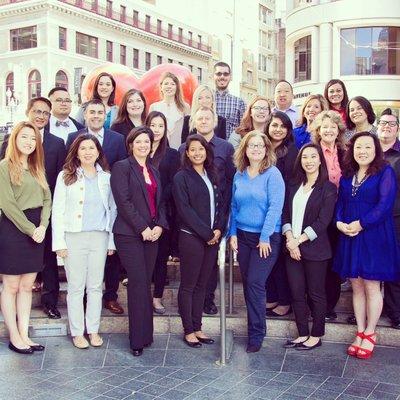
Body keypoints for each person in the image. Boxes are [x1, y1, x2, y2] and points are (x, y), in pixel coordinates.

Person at [334, 132, 400, 359]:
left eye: (367, 147)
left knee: (372, 285)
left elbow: (385, 205)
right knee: (357, 285)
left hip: (373, 234)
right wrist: (340, 222)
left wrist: (361, 224)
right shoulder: (347, 175)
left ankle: (371, 333)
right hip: (350, 234)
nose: (362, 151)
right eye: (358, 147)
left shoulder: (384, 172)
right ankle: (360, 331)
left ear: (376, 150)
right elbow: (341, 202)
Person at [0, 97, 67, 318]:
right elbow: (6, 190)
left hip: (43, 215)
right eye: (37, 111)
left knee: (44, 261)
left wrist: (47, 219)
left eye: (46, 113)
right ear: (28, 111)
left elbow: (56, 182)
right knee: (13, 282)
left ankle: (49, 301)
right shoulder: (10, 144)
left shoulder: (55, 145)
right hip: (15, 220)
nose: (41, 115)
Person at [52, 134, 116, 349]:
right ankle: (78, 332)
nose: (88, 152)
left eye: (91, 148)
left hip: (99, 237)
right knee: (76, 287)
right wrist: (59, 242)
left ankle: (93, 330)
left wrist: (111, 242)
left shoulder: (106, 178)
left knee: (96, 287)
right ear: (76, 152)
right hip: (74, 237)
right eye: (83, 148)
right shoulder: (66, 176)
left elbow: (113, 211)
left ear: (98, 151)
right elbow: (58, 210)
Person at [110, 127, 168, 356]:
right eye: (139, 141)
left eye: (147, 141)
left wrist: (159, 226)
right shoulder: (122, 167)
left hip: (152, 234)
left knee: (146, 282)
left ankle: (146, 334)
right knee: (137, 282)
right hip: (129, 234)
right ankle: (136, 339)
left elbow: (161, 203)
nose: (143, 145)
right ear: (131, 144)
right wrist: (142, 228)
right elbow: (123, 202)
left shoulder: (153, 170)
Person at [67, 98, 127, 315]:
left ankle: (110, 296)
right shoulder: (74, 137)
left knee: (111, 257)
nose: (95, 116)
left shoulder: (117, 139)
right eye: (91, 112)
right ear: (85, 114)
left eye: (99, 113)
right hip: (81, 211)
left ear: (105, 115)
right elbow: (69, 169)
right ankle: (83, 299)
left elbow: (121, 169)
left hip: (108, 204)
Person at [229, 131, 285, 352]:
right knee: (249, 283)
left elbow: (275, 207)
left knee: (255, 282)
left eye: (260, 146)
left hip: (266, 238)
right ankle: (255, 328)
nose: (256, 149)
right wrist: (232, 232)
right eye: (251, 145)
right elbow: (234, 207)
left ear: (266, 149)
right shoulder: (239, 174)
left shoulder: (273, 174)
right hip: (242, 236)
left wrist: (264, 237)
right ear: (245, 148)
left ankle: (257, 333)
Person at [0, 121, 51, 354]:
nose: (29, 142)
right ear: (15, 140)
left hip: (36, 230)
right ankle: (14, 336)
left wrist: (42, 225)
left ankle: (25, 334)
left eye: (33, 138)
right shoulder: (3, 167)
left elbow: (47, 200)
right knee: (11, 286)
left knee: (27, 286)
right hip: (13, 229)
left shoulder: (37, 168)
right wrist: (31, 229)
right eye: (24, 137)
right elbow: (8, 204)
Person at [178, 107, 235, 315]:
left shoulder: (226, 148)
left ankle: (204, 308)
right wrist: (205, 231)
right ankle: (190, 324)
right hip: (193, 229)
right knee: (191, 280)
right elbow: (183, 199)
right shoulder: (183, 157)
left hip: (215, 221)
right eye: (199, 118)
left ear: (215, 122)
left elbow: (228, 184)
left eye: (207, 118)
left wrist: (219, 226)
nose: (203, 121)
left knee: (207, 274)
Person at [282, 144, 337, 350]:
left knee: (316, 294)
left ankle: (316, 334)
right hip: (292, 249)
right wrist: (290, 239)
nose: (309, 161)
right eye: (305, 157)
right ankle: (302, 333)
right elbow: (285, 214)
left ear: (320, 160)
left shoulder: (328, 188)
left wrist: (299, 240)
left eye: (313, 156)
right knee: (296, 293)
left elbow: (323, 222)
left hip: (315, 250)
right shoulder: (294, 184)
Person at [173, 134, 222, 347]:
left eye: (200, 149)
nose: (197, 153)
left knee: (203, 285)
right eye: (192, 149)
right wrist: (207, 233)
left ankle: (198, 326)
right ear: (186, 152)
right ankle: (188, 330)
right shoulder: (181, 177)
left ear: (206, 151)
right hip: (192, 238)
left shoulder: (212, 174)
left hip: (212, 238)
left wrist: (218, 229)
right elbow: (184, 210)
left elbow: (221, 204)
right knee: (189, 285)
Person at [310, 111, 346, 321]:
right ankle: (315, 304)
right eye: (325, 127)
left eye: (333, 127)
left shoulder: (344, 152)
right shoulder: (312, 151)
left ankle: (330, 305)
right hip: (317, 213)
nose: (329, 130)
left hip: (339, 213)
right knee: (317, 260)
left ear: (338, 130)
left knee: (334, 260)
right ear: (318, 130)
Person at [146, 111, 180, 314]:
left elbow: (173, 183)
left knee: (160, 258)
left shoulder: (172, 154)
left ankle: (157, 297)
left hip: (164, 212)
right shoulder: (139, 149)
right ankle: (141, 296)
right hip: (141, 212)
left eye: (160, 126)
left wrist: (157, 198)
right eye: (153, 125)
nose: (156, 130)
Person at [264, 111, 298, 317]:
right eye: (274, 125)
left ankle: (285, 301)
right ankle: (273, 297)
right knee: (268, 258)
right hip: (264, 208)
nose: (278, 129)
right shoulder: (263, 147)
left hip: (283, 208)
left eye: (282, 126)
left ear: (288, 130)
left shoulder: (291, 151)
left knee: (280, 260)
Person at [377, 109, 400, 330]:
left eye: (391, 124)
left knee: (395, 266)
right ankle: (370, 310)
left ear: (397, 129)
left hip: (395, 218)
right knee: (370, 267)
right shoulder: (370, 152)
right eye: (383, 123)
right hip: (369, 220)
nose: (386, 126)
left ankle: (395, 312)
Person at [149, 72, 190, 150]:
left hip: (179, 149)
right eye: (166, 83)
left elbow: (188, 132)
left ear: (177, 87)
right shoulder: (154, 107)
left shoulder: (185, 107)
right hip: (158, 149)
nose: (169, 86)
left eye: (172, 84)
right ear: (161, 87)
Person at [214, 61, 246, 139]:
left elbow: (243, 128)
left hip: (231, 148)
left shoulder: (239, 102)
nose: (222, 76)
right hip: (208, 148)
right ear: (213, 76)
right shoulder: (206, 100)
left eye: (225, 74)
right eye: (218, 74)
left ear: (230, 77)